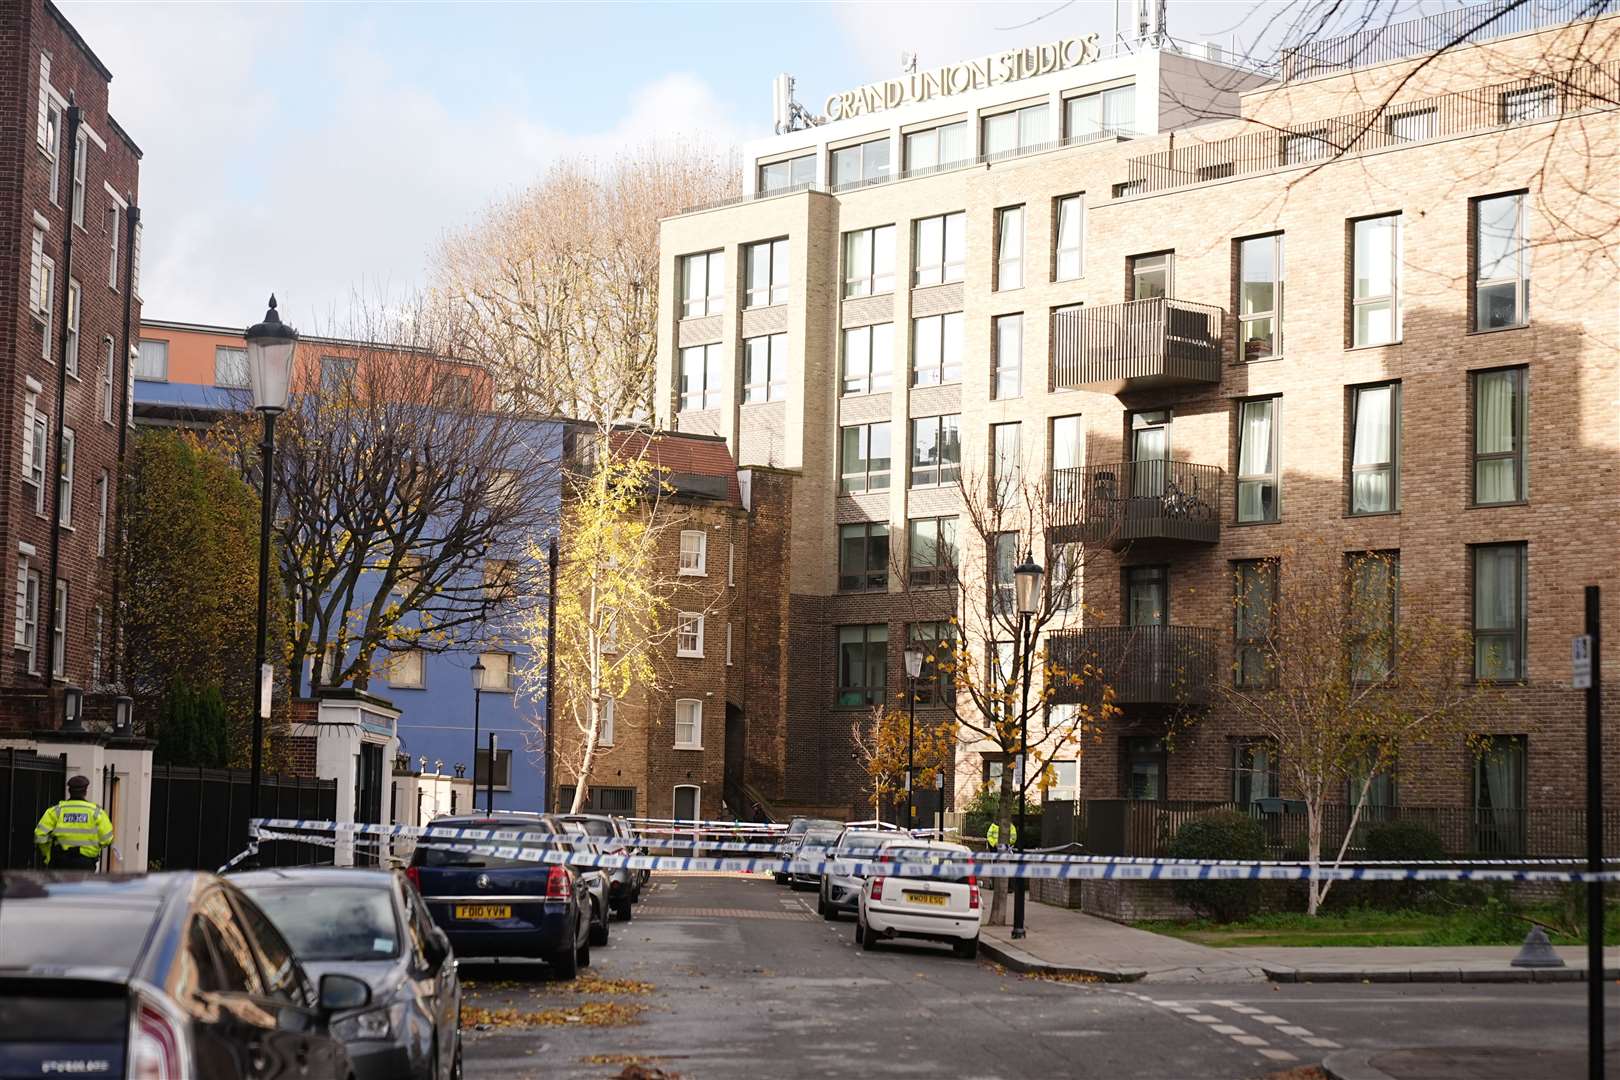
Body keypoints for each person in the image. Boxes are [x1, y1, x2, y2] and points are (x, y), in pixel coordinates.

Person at [34, 775, 114, 871]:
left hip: (61, 861)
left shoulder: (56, 811)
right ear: (85, 791)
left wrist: (48, 855)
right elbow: (107, 840)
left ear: (69, 791)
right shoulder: (96, 812)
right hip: (86, 862)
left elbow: (39, 835)